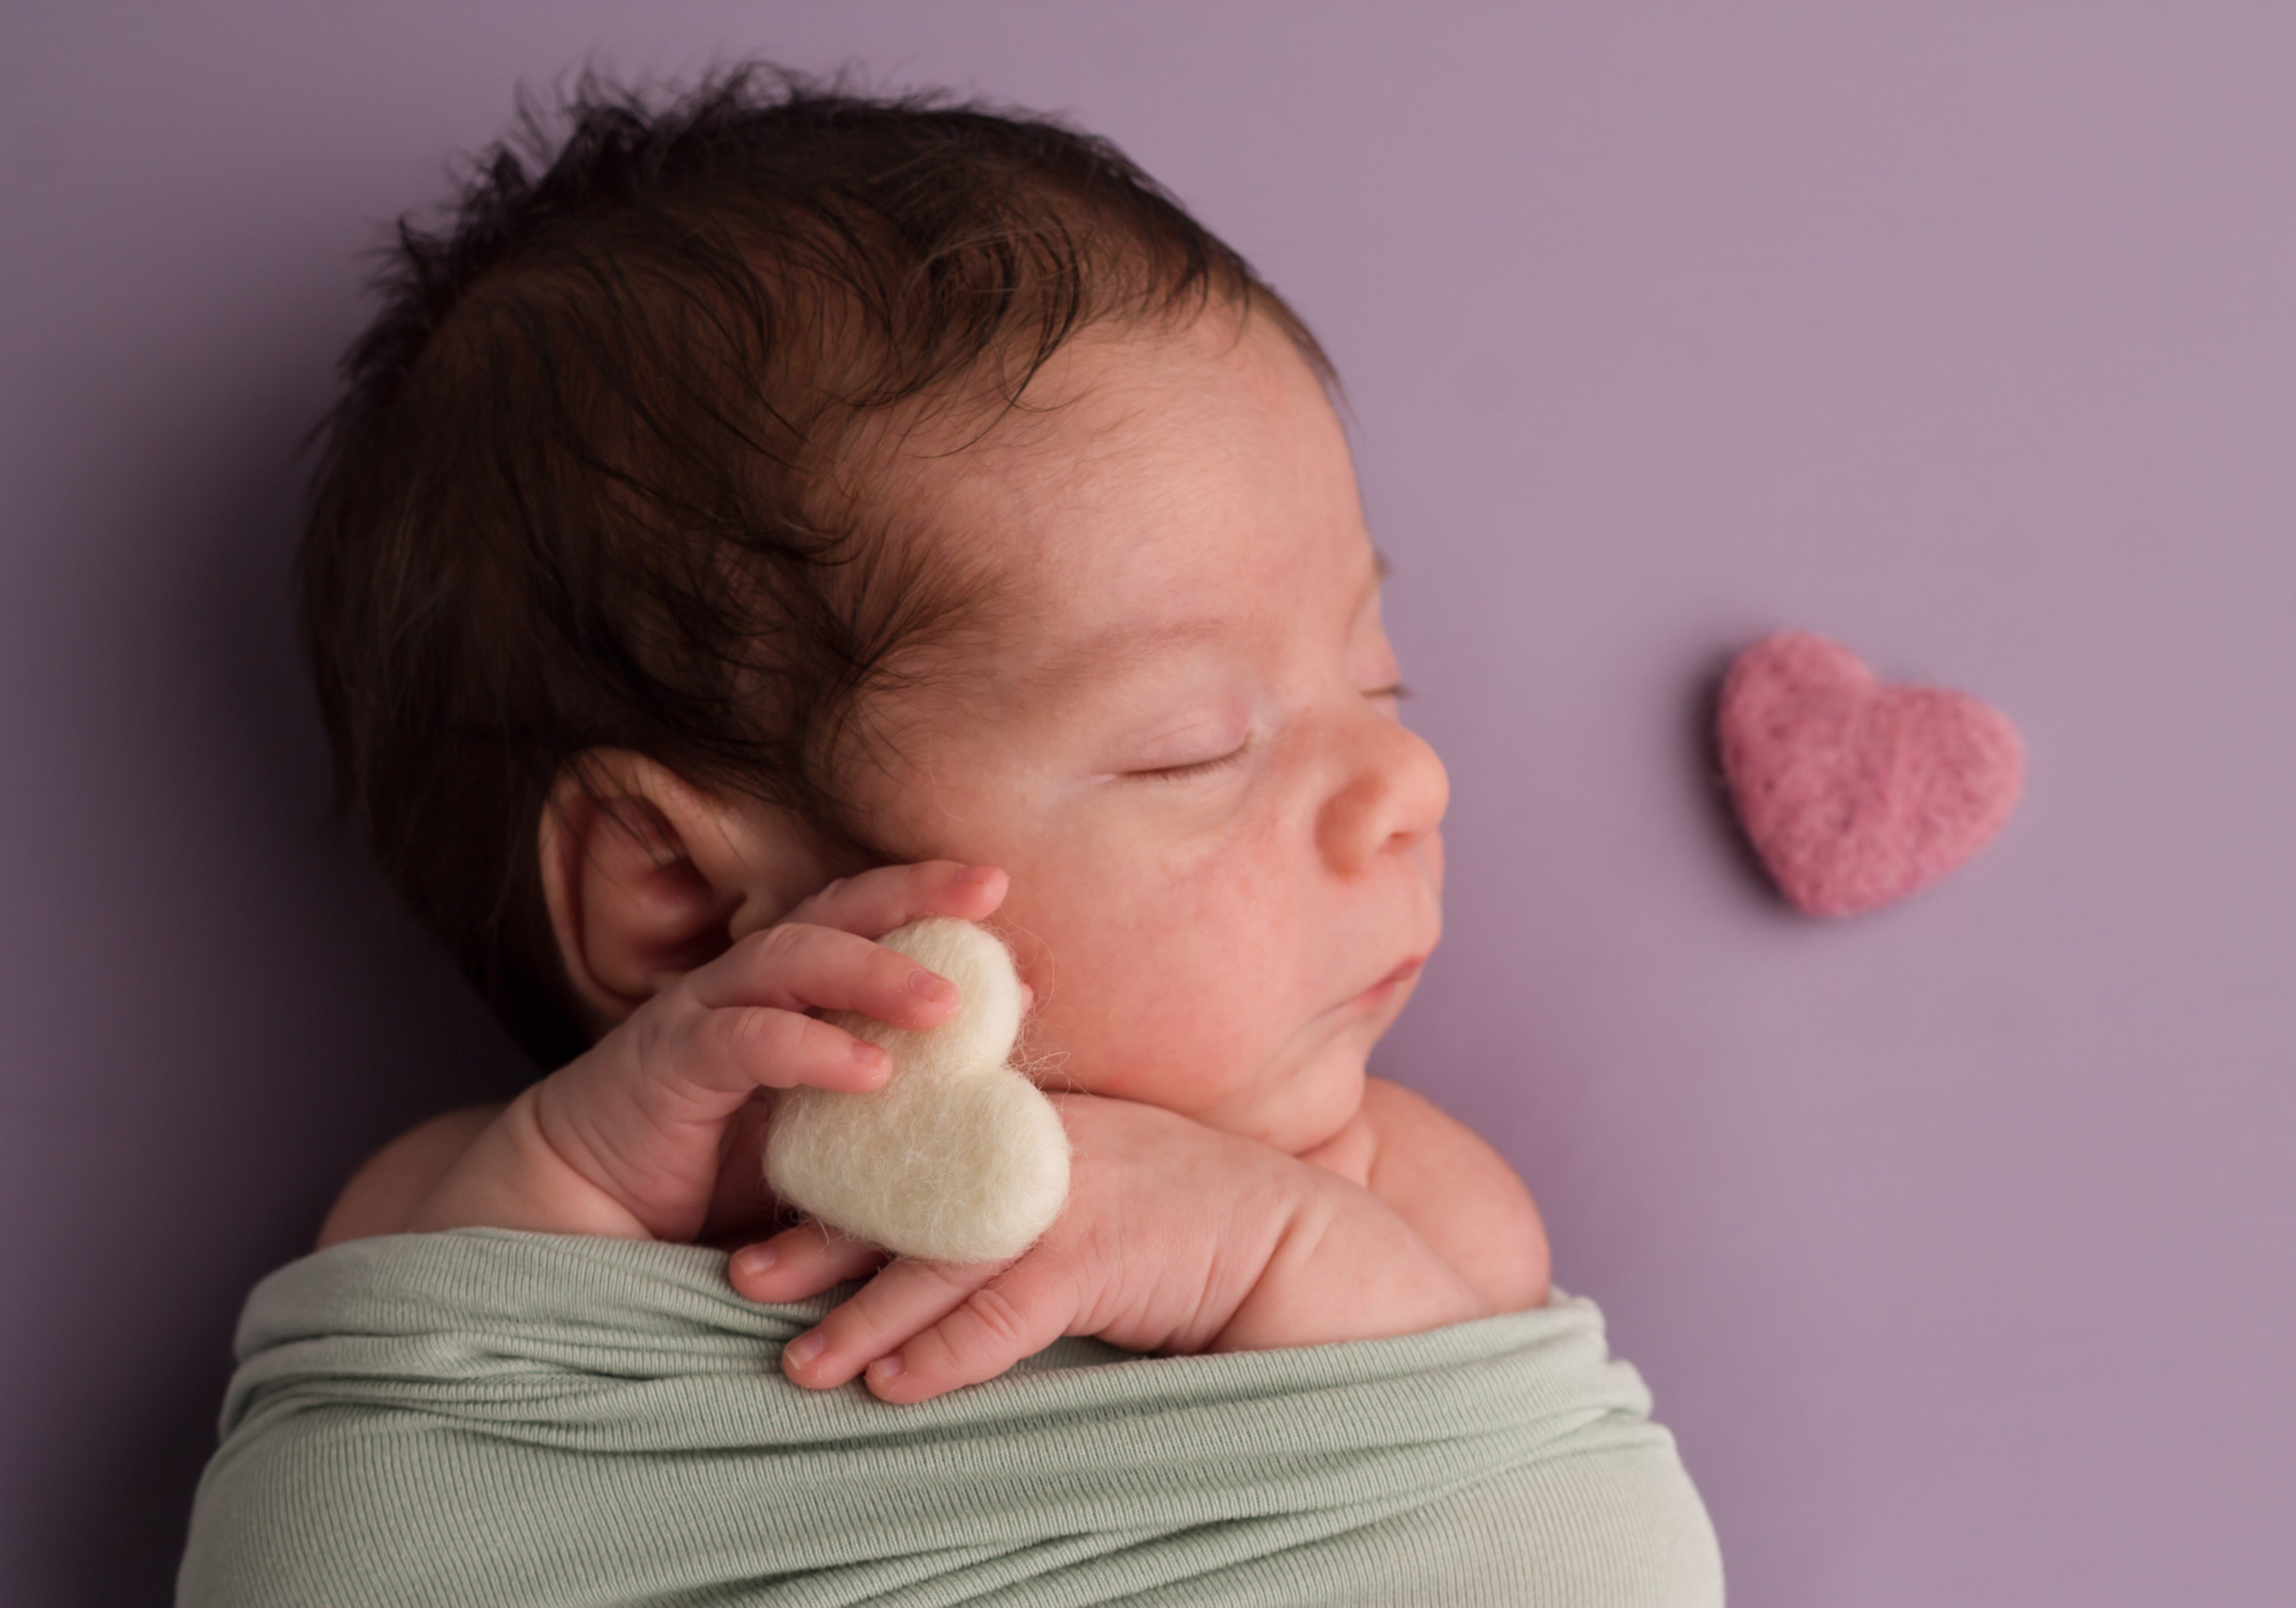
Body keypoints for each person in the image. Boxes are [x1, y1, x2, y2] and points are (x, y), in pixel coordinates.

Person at [183, 64, 1722, 1604]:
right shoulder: (476, 1223)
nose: (1409, 781)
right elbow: (326, 1558)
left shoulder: (1386, 1200)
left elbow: (1594, 1557)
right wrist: (567, 1195)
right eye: (1195, 747)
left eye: (1379, 681)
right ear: (679, 896)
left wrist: (1269, 1252)